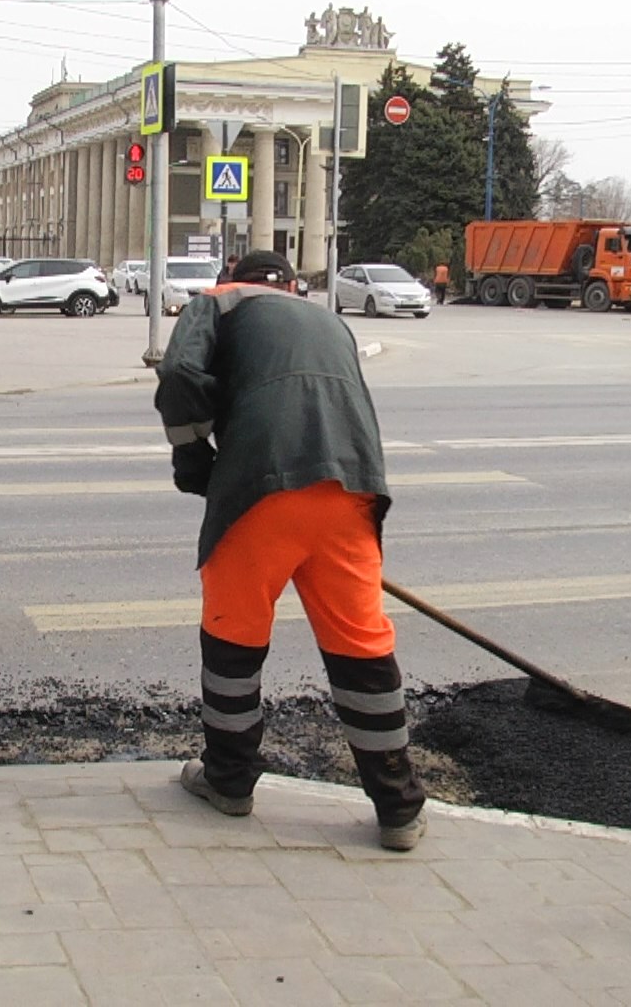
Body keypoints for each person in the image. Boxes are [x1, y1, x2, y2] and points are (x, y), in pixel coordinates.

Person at [154, 249, 427, 853]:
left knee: (234, 639)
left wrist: (194, 458)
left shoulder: (215, 304)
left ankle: (228, 782)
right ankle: (398, 808)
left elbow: (178, 377)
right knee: (361, 646)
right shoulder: (330, 319)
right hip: (352, 489)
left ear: (232, 281)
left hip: (261, 490)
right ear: (292, 287)